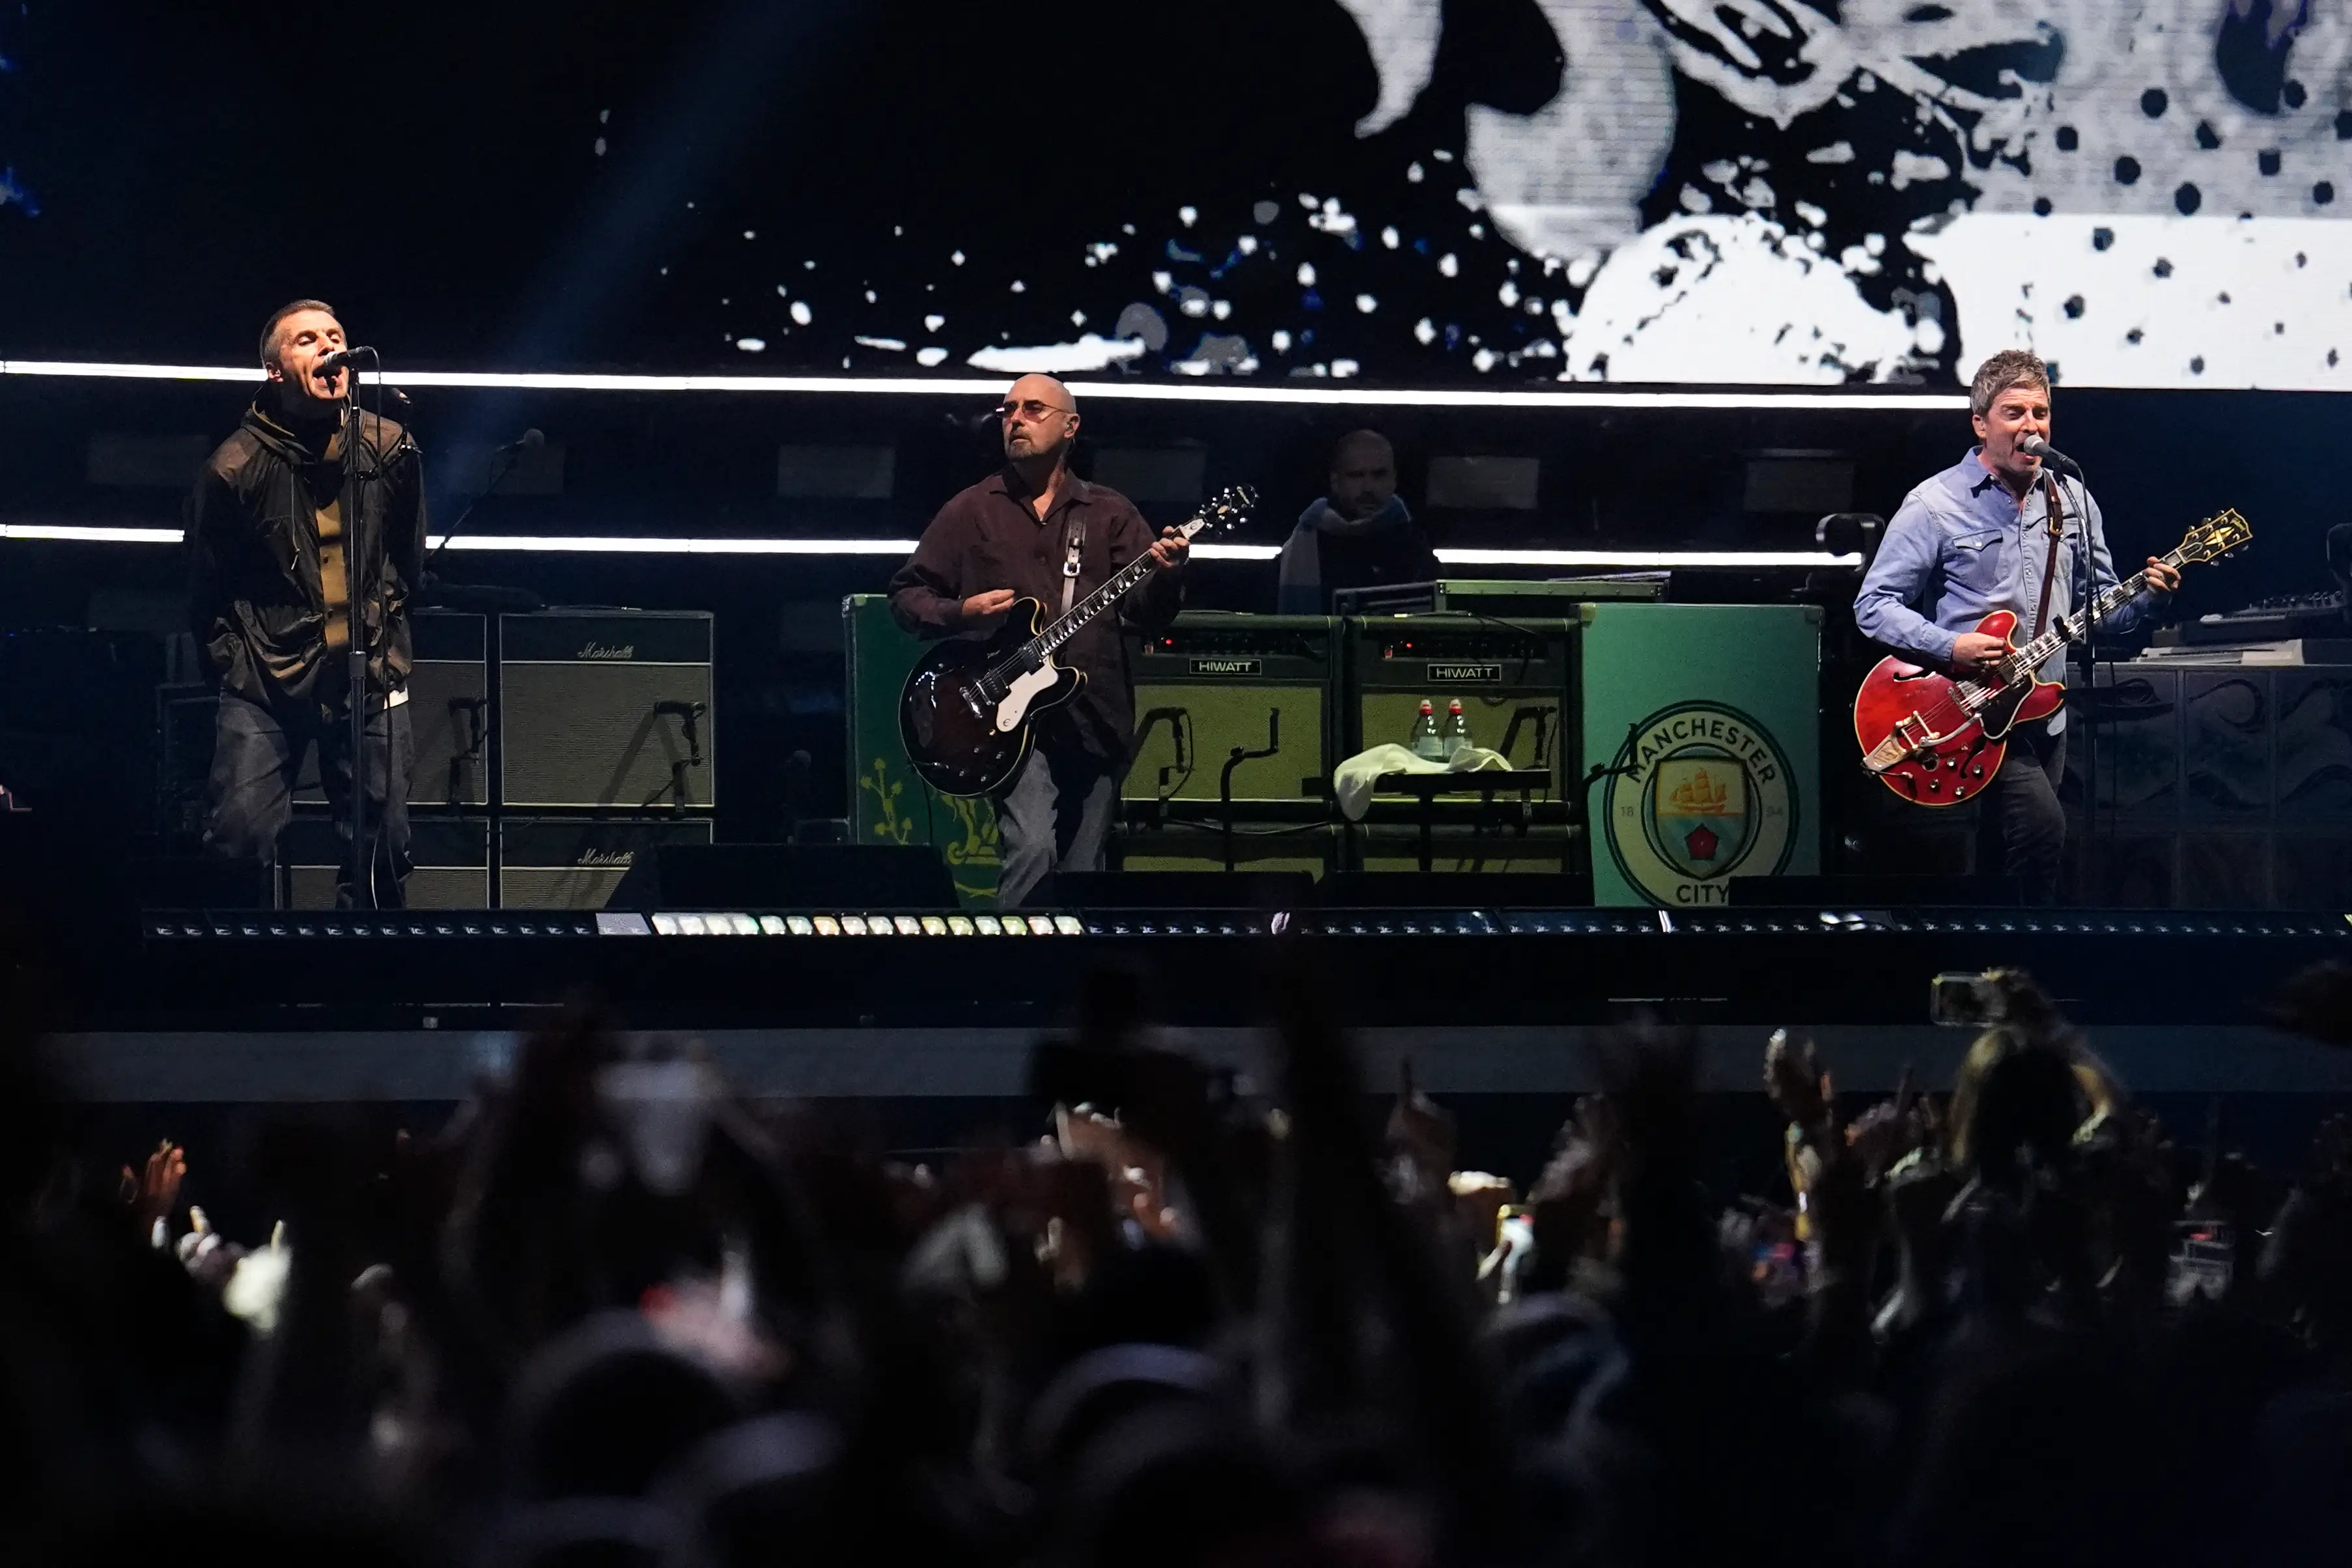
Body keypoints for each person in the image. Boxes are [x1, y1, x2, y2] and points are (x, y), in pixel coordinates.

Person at [1855, 349, 2178, 903]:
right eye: (2014, 413)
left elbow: (2100, 609)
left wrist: (2149, 600)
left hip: (2042, 711)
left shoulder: (2071, 499)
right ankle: (2036, 964)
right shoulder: (1934, 504)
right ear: (1981, 424)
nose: (2032, 427)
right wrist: (1951, 646)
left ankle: (1990, 974)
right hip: (1961, 705)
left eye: (2041, 412)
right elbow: (1874, 604)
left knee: (1999, 854)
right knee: (2042, 835)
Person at [888, 374, 1190, 907]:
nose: (1015, 419)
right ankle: (1015, 974)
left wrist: (1167, 573)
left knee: (1083, 873)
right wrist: (961, 610)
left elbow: (1148, 614)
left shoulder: (1109, 513)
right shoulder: (972, 509)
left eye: (1032, 409)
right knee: (1031, 848)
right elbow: (907, 594)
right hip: (1002, 718)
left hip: (1094, 714)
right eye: (1007, 410)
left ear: (1071, 427)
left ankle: (1069, 983)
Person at [186, 300, 425, 906]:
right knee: (238, 839)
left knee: (384, 851)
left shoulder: (392, 449)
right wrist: (234, 663)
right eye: (307, 340)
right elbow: (205, 585)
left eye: (336, 336)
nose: (328, 347)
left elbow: (408, 557)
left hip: (367, 675)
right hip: (267, 680)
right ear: (275, 370)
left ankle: (361, 993)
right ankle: (248, 991)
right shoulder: (232, 468)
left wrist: (388, 630)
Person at [1276, 430, 1437, 613]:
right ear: (1335, 481)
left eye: (1379, 475)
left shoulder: (1413, 543)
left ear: (1394, 479)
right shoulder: (1304, 544)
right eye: (1356, 475)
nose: (1368, 487)